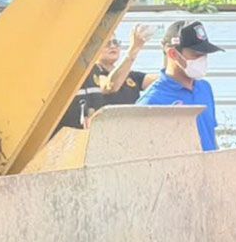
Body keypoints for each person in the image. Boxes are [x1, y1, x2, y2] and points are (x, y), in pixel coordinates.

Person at [136, 21, 224, 151]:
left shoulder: (205, 88)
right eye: (196, 54)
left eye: (205, 54)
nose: (203, 59)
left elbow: (210, 136)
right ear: (173, 54)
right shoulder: (151, 102)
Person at [57, 24, 157, 129]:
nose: (113, 46)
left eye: (115, 42)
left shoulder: (131, 75)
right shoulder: (92, 73)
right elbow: (110, 85)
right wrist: (133, 50)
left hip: (129, 131)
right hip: (106, 132)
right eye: (107, 43)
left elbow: (162, 80)